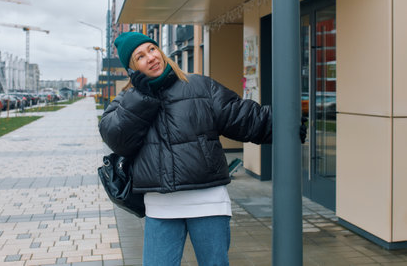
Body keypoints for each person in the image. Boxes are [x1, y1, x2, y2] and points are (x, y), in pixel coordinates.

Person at [99, 32, 305, 266]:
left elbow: (240, 116)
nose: (151, 58)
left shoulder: (199, 85)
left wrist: (284, 125)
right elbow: (116, 138)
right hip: (161, 206)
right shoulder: (127, 100)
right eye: (140, 56)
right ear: (132, 69)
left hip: (208, 201)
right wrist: (142, 97)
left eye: (152, 49)